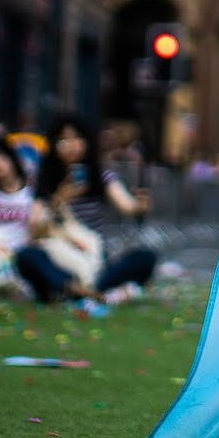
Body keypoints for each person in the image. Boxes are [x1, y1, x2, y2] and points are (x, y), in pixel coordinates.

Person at [29, 114, 157, 303]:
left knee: (146, 257)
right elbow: (34, 230)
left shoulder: (101, 177)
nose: (71, 145)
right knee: (27, 256)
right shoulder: (47, 182)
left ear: (87, 142)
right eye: (63, 139)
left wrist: (141, 205)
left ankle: (80, 290)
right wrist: (59, 200)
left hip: (94, 257)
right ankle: (86, 289)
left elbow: (127, 206)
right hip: (61, 256)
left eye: (77, 138)